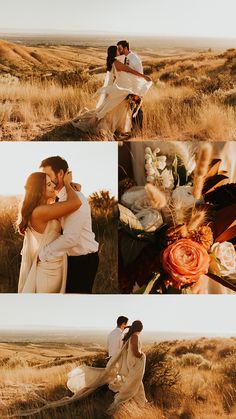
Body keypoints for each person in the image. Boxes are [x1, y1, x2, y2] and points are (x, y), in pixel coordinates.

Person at [39, 156, 99, 294]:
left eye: (48, 175)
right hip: (66, 257)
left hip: (82, 260)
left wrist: (43, 254)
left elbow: (70, 238)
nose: (45, 180)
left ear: (60, 174)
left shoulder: (77, 198)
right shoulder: (57, 197)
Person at [18, 171, 81, 293]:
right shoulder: (39, 212)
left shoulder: (42, 208)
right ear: (39, 190)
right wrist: (67, 184)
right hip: (48, 270)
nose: (53, 186)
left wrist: (72, 188)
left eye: (52, 183)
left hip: (52, 264)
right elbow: (76, 203)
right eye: (48, 185)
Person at [71, 45, 152, 139]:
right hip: (122, 88)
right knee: (114, 108)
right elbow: (129, 70)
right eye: (117, 50)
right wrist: (143, 76)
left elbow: (115, 77)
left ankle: (118, 128)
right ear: (114, 52)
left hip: (120, 87)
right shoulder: (116, 63)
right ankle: (114, 128)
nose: (119, 51)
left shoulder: (112, 63)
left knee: (116, 108)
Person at [117, 40, 144, 131]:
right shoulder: (125, 58)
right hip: (129, 88)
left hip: (135, 88)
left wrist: (137, 89)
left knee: (137, 108)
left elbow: (140, 73)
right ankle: (134, 128)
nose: (118, 50)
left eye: (119, 48)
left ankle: (137, 130)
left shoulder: (134, 58)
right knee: (132, 108)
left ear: (125, 48)